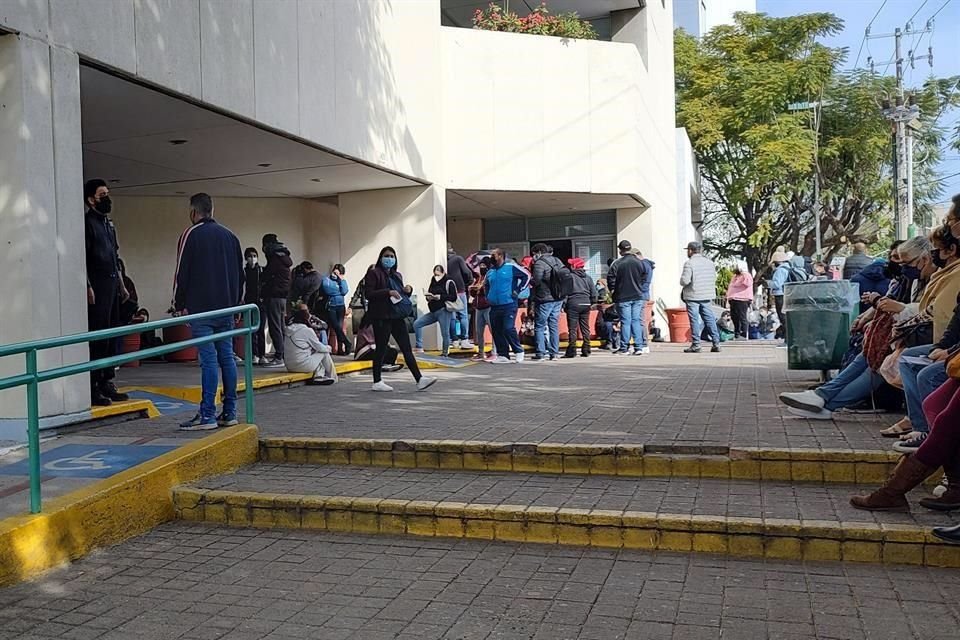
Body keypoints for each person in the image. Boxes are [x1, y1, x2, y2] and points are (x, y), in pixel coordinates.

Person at [778, 235, 935, 420]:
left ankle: (825, 401)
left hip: (924, 338)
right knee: (869, 355)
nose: (901, 267)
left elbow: (933, 310)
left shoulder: (940, 277)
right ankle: (822, 397)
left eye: (906, 262)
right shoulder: (916, 279)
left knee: (878, 365)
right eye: (897, 260)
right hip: (909, 335)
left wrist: (896, 308)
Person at [172, 194, 244, 431]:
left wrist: (178, 303)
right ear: (212, 210)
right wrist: (236, 304)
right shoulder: (231, 236)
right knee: (227, 358)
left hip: (201, 308)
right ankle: (230, 411)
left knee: (209, 361)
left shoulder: (190, 235)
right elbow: (239, 275)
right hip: (227, 307)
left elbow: (182, 272)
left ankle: (207, 415)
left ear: (194, 212)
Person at [362, 247, 436, 392]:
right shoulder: (374, 273)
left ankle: (419, 379)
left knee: (406, 348)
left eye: (392, 256)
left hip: (396, 315)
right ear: (380, 258)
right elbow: (369, 294)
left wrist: (408, 290)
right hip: (381, 316)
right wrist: (387, 292)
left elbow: (400, 295)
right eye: (386, 256)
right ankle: (377, 381)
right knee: (381, 348)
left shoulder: (397, 275)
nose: (389, 259)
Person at [84, 178, 130, 406]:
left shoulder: (108, 225)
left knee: (112, 335)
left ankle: (107, 381)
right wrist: (88, 286)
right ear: (91, 199)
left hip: (112, 285)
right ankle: (94, 385)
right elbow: (83, 258)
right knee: (99, 337)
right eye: (102, 195)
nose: (107, 199)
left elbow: (115, 256)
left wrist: (122, 285)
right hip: (98, 286)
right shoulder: (88, 224)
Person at [606, 241, 654, 355]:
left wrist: (613, 290)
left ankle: (624, 347)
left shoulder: (617, 263)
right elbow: (644, 276)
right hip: (638, 296)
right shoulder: (639, 262)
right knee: (636, 321)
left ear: (620, 250)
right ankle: (638, 347)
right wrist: (639, 287)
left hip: (623, 297)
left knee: (625, 322)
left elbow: (610, 279)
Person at [485, 248, 530, 364]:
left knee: (508, 328)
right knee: (496, 330)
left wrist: (518, 290)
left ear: (500, 256)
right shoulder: (490, 271)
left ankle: (518, 350)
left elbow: (527, 276)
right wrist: (487, 297)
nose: (491, 257)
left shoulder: (511, 267)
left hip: (509, 303)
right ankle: (503, 354)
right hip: (494, 305)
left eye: (493, 255)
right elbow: (486, 285)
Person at [679, 241, 721, 353]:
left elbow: (685, 280)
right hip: (707, 295)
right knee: (710, 319)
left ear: (690, 250)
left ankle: (696, 344)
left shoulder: (689, 263)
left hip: (693, 295)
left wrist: (681, 281)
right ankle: (716, 342)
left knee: (694, 320)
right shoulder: (710, 263)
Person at [529, 244, 566, 360]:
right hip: (558, 298)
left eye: (534, 254)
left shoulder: (540, 263)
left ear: (539, 252)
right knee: (553, 325)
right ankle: (554, 353)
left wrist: (530, 280)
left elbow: (537, 280)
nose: (533, 257)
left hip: (545, 298)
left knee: (539, 326)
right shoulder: (557, 260)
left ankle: (540, 352)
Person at [283, 304, 337, 385]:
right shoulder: (307, 330)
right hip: (302, 366)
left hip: (289, 366)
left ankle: (319, 377)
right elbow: (320, 348)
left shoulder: (287, 329)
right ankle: (333, 377)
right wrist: (328, 348)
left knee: (315, 354)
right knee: (323, 352)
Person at [260, 233, 292, 367]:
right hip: (283, 297)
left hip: (274, 296)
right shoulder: (284, 257)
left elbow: (267, 276)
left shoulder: (274, 258)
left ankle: (279, 355)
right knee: (281, 326)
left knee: (275, 327)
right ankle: (284, 353)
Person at [413, 265, 457, 357]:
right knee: (417, 323)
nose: (436, 274)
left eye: (438, 271)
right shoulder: (433, 281)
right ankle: (419, 346)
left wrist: (440, 297)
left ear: (443, 272)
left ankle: (445, 353)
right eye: (434, 271)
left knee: (444, 333)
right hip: (433, 311)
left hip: (443, 310)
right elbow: (430, 292)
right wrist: (428, 298)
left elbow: (453, 297)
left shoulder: (449, 281)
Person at [562, 258, 597, 358]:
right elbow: (594, 293)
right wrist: (592, 302)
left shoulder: (570, 277)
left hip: (573, 303)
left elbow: (566, 293)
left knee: (572, 328)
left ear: (574, 266)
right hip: (586, 303)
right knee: (585, 327)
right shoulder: (588, 277)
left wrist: (564, 305)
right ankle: (586, 348)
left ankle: (572, 350)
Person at [446, 244, 475, 349]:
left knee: (452, 317)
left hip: (448, 292)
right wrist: (467, 283)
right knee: (463, 315)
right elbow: (467, 272)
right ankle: (464, 339)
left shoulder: (442, 261)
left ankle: (454, 340)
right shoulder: (458, 259)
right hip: (460, 290)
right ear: (452, 249)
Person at [321, 264, 351, 355]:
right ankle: (347, 342)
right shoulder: (326, 280)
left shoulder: (341, 281)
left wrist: (341, 279)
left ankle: (340, 349)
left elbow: (344, 291)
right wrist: (338, 292)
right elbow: (327, 290)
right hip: (331, 306)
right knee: (336, 326)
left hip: (341, 306)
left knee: (339, 328)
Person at [469, 259, 496, 362]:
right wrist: (473, 290)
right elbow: (473, 293)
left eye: (484, 265)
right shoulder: (478, 278)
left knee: (493, 330)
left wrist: (483, 289)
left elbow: (491, 290)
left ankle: (494, 352)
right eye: (481, 265)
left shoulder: (490, 277)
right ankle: (481, 353)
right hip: (479, 307)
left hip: (488, 306)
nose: (482, 267)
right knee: (479, 332)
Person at [242, 248, 266, 365]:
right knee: (251, 330)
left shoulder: (261, 270)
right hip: (249, 303)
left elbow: (265, 284)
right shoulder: (244, 272)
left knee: (260, 329)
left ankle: (262, 355)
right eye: (250, 256)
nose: (253, 258)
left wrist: (263, 297)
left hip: (261, 303)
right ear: (246, 258)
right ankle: (254, 354)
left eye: (255, 256)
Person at [727, 261, 754, 340]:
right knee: (734, 317)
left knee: (742, 316)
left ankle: (744, 334)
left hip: (742, 299)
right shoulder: (735, 276)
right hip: (733, 299)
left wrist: (743, 273)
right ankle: (736, 333)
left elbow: (747, 283)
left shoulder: (747, 276)